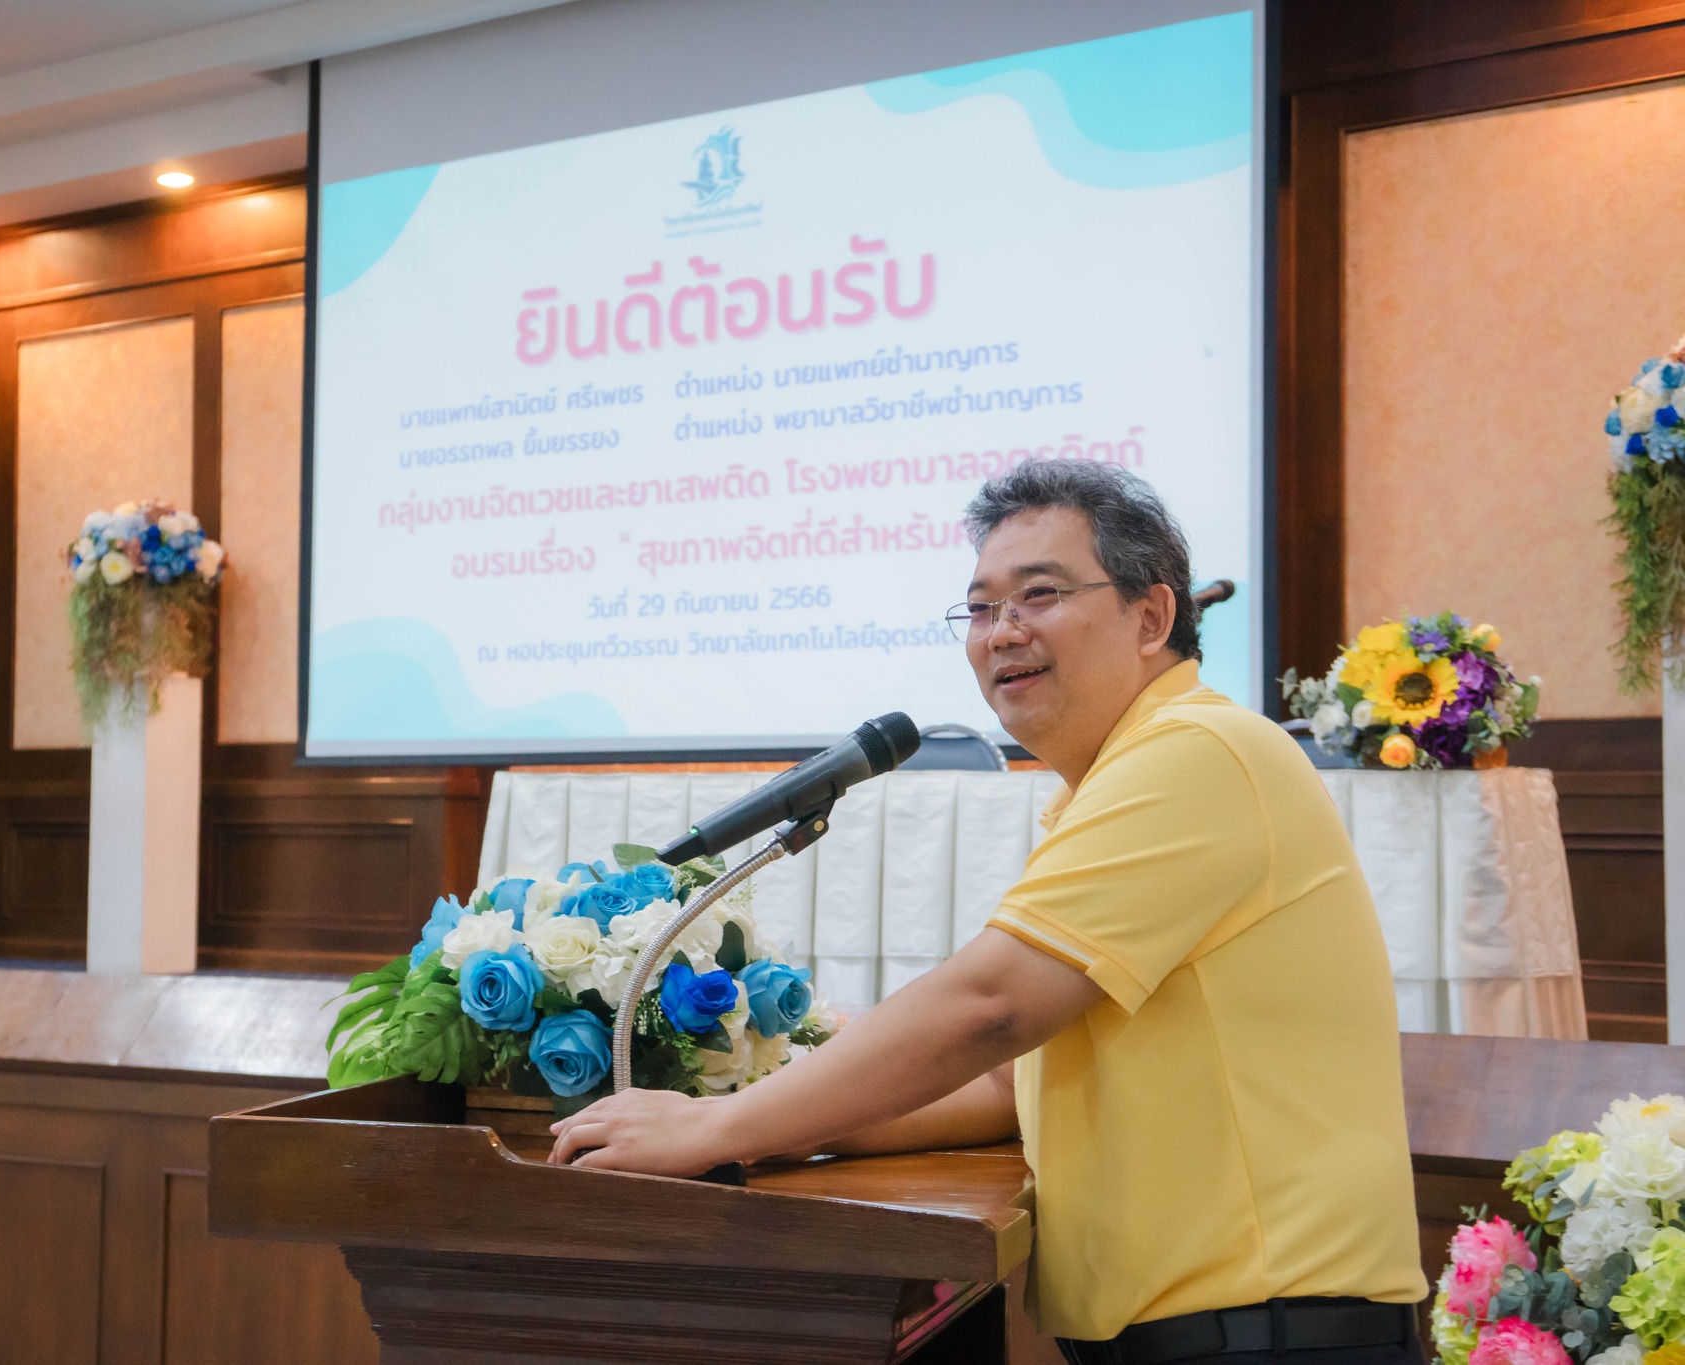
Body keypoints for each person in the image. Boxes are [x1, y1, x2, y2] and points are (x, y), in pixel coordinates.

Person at [548, 460, 1428, 1363]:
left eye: (1038, 595)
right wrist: (765, 1121)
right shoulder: (1109, 786)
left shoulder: (1202, 750)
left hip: (1273, 1337)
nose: (1002, 631)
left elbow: (990, 1006)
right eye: (980, 608)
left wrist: (718, 1126)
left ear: (1152, 616)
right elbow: (1005, 1081)